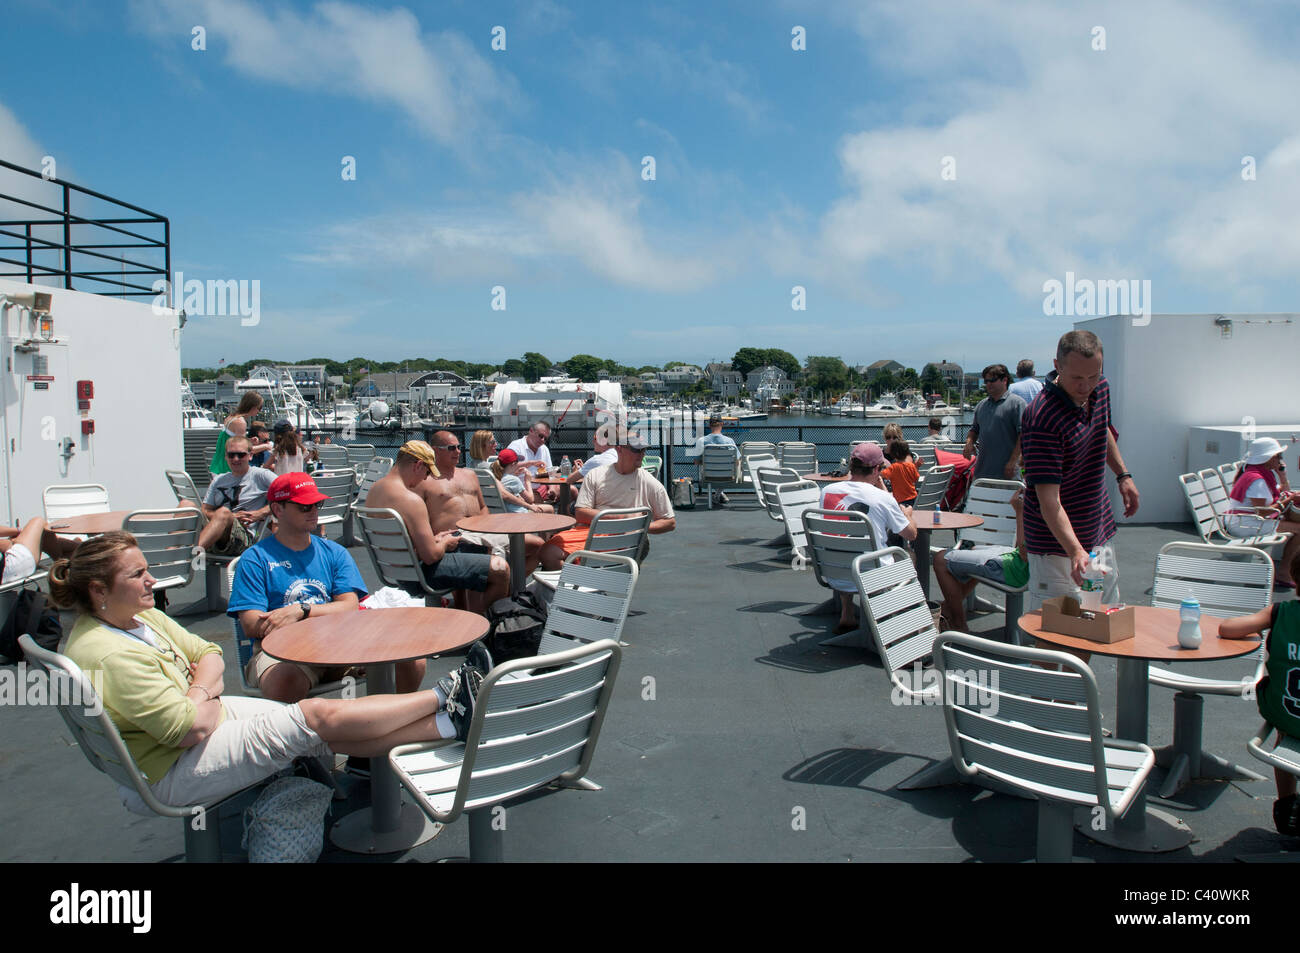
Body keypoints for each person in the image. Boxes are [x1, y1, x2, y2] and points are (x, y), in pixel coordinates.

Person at [52, 531, 481, 810]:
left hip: (195, 731)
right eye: (138, 574)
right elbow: (186, 730)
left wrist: (198, 692)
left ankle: (446, 722)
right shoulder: (108, 653)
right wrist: (205, 692)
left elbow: (207, 650)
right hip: (170, 771)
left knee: (322, 732)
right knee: (316, 717)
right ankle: (445, 697)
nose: (151, 581)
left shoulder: (137, 618)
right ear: (98, 590)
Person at [228, 472, 425, 702]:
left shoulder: (334, 552)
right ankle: (300, 735)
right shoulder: (255, 559)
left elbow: (349, 606)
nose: (314, 511)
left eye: (317, 503)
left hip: (339, 644)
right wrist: (321, 615)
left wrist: (300, 611)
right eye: (304, 506)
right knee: (287, 678)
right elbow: (252, 624)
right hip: (284, 653)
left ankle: (392, 725)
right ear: (278, 510)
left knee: (412, 660)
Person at [1020, 330, 1139, 611]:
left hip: (1099, 534)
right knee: (1055, 639)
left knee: (1103, 620)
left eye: (1093, 376)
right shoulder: (1041, 418)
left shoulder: (1101, 388)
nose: (1086, 387)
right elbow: (1048, 500)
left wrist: (1123, 475)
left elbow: (1103, 429)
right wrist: (1075, 551)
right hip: (1056, 548)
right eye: (1077, 378)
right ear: (1057, 365)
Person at [363, 440, 511, 610]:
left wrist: (435, 539)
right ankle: (474, 623)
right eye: (426, 472)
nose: (426, 478)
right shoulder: (411, 500)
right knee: (501, 569)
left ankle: (465, 612)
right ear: (418, 465)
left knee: (476, 551)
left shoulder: (375, 490)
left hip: (395, 571)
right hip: (419, 575)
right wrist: (445, 543)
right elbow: (431, 556)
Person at [1219, 550, 1300, 835]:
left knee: (1287, 725)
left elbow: (1227, 628)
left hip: (1286, 714)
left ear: (1294, 579)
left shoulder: (1280, 613)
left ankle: (1287, 805)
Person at [538, 432, 675, 570]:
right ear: (619, 448)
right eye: (636, 450)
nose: (642, 454)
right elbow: (580, 513)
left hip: (627, 538)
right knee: (547, 553)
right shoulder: (596, 475)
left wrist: (639, 526)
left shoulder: (649, 482)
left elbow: (669, 522)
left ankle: (583, 581)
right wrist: (620, 518)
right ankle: (584, 582)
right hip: (593, 533)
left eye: (643, 450)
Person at [818, 441, 917, 633]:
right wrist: (907, 515)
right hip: (872, 578)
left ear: (851, 467)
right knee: (908, 556)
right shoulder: (882, 498)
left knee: (844, 543)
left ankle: (847, 613)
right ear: (876, 469)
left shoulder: (827, 492)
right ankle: (897, 622)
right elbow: (910, 534)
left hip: (834, 574)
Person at [420, 431, 544, 577]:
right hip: (455, 537)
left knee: (540, 545)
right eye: (451, 448)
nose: (458, 451)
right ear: (435, 451)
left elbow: (483, 506)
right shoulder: (424, 481)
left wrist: (488, 528)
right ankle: (505, 590)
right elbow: (419, 519)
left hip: (482, 532)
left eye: (459, 447)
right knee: (496, 569)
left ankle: (509, 589)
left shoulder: (470, 474)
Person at [932, 488, 1029, 631]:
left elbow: (1024, 552)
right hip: (1019, 565)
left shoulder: (1043, 507)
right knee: (973, 551)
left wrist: (1020, 512)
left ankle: (958, 624)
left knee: (941, 559)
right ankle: (948, 607)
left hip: (1015, 570)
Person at [1225, 436, 1300, 589]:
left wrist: (1282, 476)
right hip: (1244, 523)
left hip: (1248, 520)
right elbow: (1263, 513)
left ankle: (1283, 570)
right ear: (1268, 458)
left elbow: (1280, 495)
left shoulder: (1261, 474)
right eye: (1278, 456)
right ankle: (1284, 573)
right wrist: (1289, 499)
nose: (1280, 460)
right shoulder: (1257, 480)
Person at [195, 435, 276, 557]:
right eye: (231, 455)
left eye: (241, 455)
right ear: (226, 457)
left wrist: (262, 512)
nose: (236, 459)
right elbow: (205, 510)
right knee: (186, 506)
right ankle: (169, 560)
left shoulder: (261, 475)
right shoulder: (218, 480)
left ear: (250, 455)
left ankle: (189, 556)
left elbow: (289, 495)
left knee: (223, 512)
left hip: (242, 537)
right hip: (213, 533)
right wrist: (229, 516)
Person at [964, 364, 1026, 482]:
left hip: (1008, 475)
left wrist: (1013, 461)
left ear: (1004, 380)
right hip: (982, 474)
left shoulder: (1017, 404)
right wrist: (969, 443)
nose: (988, 384)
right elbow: (974, 430)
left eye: (992, 380)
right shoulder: (981, 405)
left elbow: (1023, 434)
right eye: (986, 381)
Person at [0, 518, 79, 584]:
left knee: (41, 536)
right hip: (11, 569)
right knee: (39, 522)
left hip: (7, 570)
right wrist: (17, 537)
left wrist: (20, 534)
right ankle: (64, 565)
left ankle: (74, 550)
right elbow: (5, 546)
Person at [686, 414, 738, 503]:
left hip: (708, 476)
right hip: (728, 475)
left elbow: (696, 462)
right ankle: (719, 493)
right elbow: (737, 461)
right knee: (727, 469)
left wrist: (706, 461)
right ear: (722, 424)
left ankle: (718, 494)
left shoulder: (701, 441)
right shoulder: (729, 441)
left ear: (709, 425)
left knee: (708, 469)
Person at [210, 392, 264, 476]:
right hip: (227, 470)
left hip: (218, 466)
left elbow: (232, 440)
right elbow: (243, 451)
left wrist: (249, 440)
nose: (259, 411)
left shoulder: (231, 417)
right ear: (253, 407)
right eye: (259, 408)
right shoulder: (240, 422)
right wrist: (267, 446)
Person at [493, 448, 553, 514]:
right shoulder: (513, 480)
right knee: (550, 508)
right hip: (518, 514)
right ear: (513, 464)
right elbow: (530, 499)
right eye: (517, 462)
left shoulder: (496, 477)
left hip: (503, 513)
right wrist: (527, 481)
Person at [883, 439, 920, 507]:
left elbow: (883, 475)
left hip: (900, 499)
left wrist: (880, 466)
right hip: (913, 497)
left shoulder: (893, 467)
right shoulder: (911, 465)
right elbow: (916, 478)